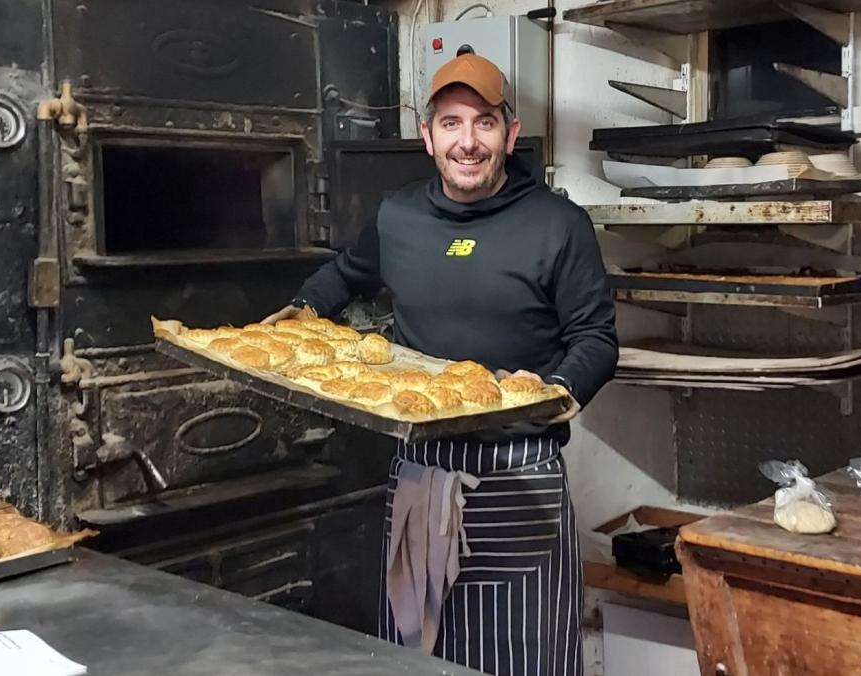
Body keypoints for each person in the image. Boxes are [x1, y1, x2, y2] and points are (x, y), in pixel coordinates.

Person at [264, 53, 617, 676]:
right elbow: (345, 273)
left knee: (521, 662)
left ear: (510, 134)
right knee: (415, 656)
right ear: (428, 138)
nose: (468, 141)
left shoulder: (559, 226)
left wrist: (555, 387)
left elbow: (596, 339)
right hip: (421, 472)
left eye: (484, 122)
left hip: (516, 479)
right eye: (451, 124)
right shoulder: (399, 216)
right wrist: (300, 309)